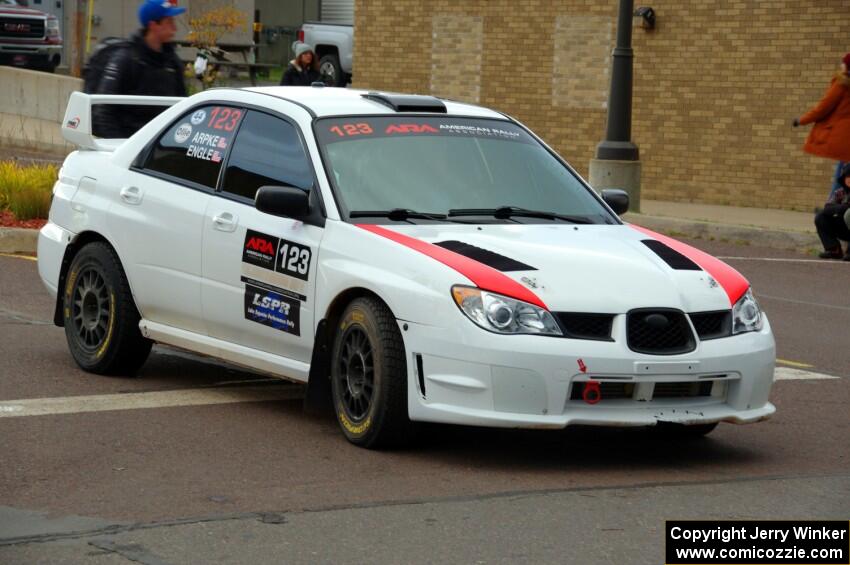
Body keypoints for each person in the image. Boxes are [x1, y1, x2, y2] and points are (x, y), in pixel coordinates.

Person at [91, 0, 188, 139]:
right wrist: (121, 148)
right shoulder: (126, 59)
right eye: (169, 22)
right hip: (127, 147)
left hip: (158, 149)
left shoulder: (172, 63)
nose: (175, 28)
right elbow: (103, 110)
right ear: (153, 25)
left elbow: (182, 108)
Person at [793, 53, 850, 198]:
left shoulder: (842, 84)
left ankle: (831, 207)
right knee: (844, 172)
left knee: (842, 173)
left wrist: (802, 120)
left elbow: (824, 107)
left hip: (843, 136)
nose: (841, 65)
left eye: (843, 63)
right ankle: (834, 207)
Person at [814, 162, 850, 260]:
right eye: (848, 176)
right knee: (820, 217)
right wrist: (841, 208)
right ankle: (834, 249)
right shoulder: (840, 192)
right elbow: (828, 207)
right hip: (844, 228)